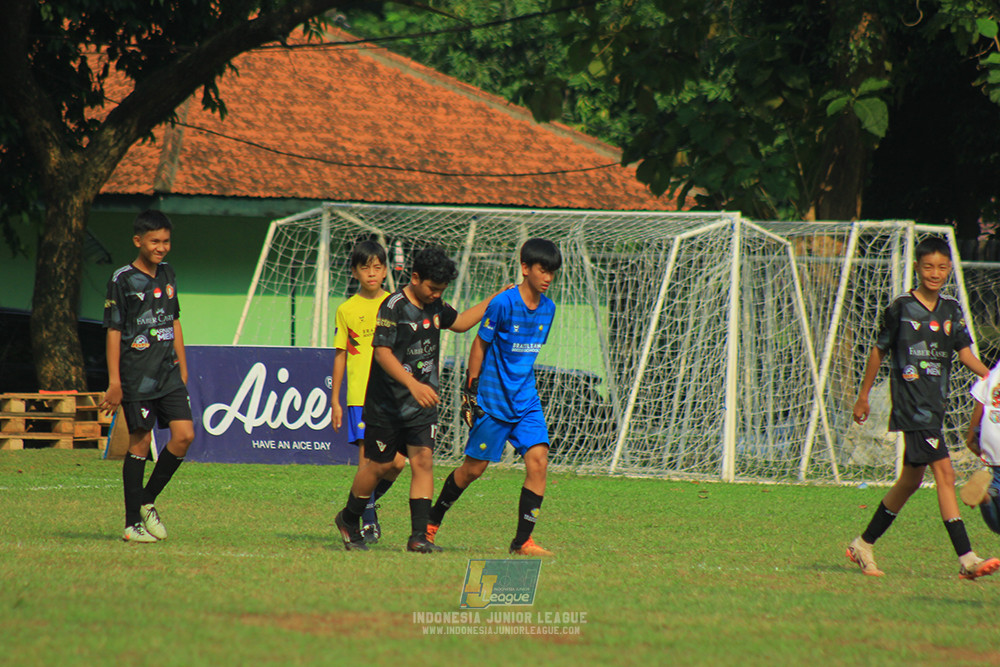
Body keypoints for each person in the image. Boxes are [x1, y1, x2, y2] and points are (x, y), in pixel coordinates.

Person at [333, 247, 505, 553]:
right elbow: (382, 353)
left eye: (441, 290)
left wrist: (495, 298)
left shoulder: (435, 304)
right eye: (432, 288)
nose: (436, 295)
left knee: (423, 461)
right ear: (415, 278)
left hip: (422, 404)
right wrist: (413, 384)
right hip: (386, 404)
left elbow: (461, 322)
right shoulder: (393, 306)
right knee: (378, 466)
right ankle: (348, 518)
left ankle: (418, 537)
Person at [847, 236, 999, 579]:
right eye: (928, 266)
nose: (935, 273)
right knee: (945, 474)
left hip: (934, 405)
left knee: (910, 480)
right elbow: (878, 350)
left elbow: (965, 353)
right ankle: (967, 559)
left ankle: (863, 544)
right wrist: (863, 395)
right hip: (911, 406)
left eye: (942, 267)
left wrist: (992, 378)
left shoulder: (950, 309)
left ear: (949, 270)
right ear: (917, 267)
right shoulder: (901, 307)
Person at [427, 238, 561, 556]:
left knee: (539, 461)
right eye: (542, 270)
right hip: (493, 401)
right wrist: (470, 391)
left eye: (552, 272)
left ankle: (522, 542)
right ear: (525, 268)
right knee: (472, 471)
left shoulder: (549, 309)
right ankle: (430, 523)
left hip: (526, 400)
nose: (548, 278)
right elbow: (480, 344)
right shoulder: (503, 303)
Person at [99, 210, 195, 543]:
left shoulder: (168, 273)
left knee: (184, 435)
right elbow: (114, 331)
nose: (161, 247)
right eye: (155, 241)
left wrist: (183, 365)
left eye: (166, 241)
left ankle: (146, 499)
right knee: (140, 443)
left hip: (168, 373)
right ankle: (131, 525)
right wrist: (115, 382)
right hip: (137, 376)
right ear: (138, 241)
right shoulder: (122, 279)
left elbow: (174, 320)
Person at [330, 240, 405, 543]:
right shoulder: (346, 309)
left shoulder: (397, 304)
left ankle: (359, 506)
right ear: (355, 272)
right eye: (365, 268)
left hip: (394, 396)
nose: (371, 273)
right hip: (361, 397)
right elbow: (340, 355)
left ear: (385, 271)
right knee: (368, 462)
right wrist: (335, 401)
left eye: (377, 267)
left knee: (396, 463)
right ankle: (368, 524)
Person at [960, 360, 1000, 535]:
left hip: (992, 444)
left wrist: (970, 439)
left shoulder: (992, 374)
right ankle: (986, 498)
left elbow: (980, 405)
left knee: (997, 525)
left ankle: (986, 498)